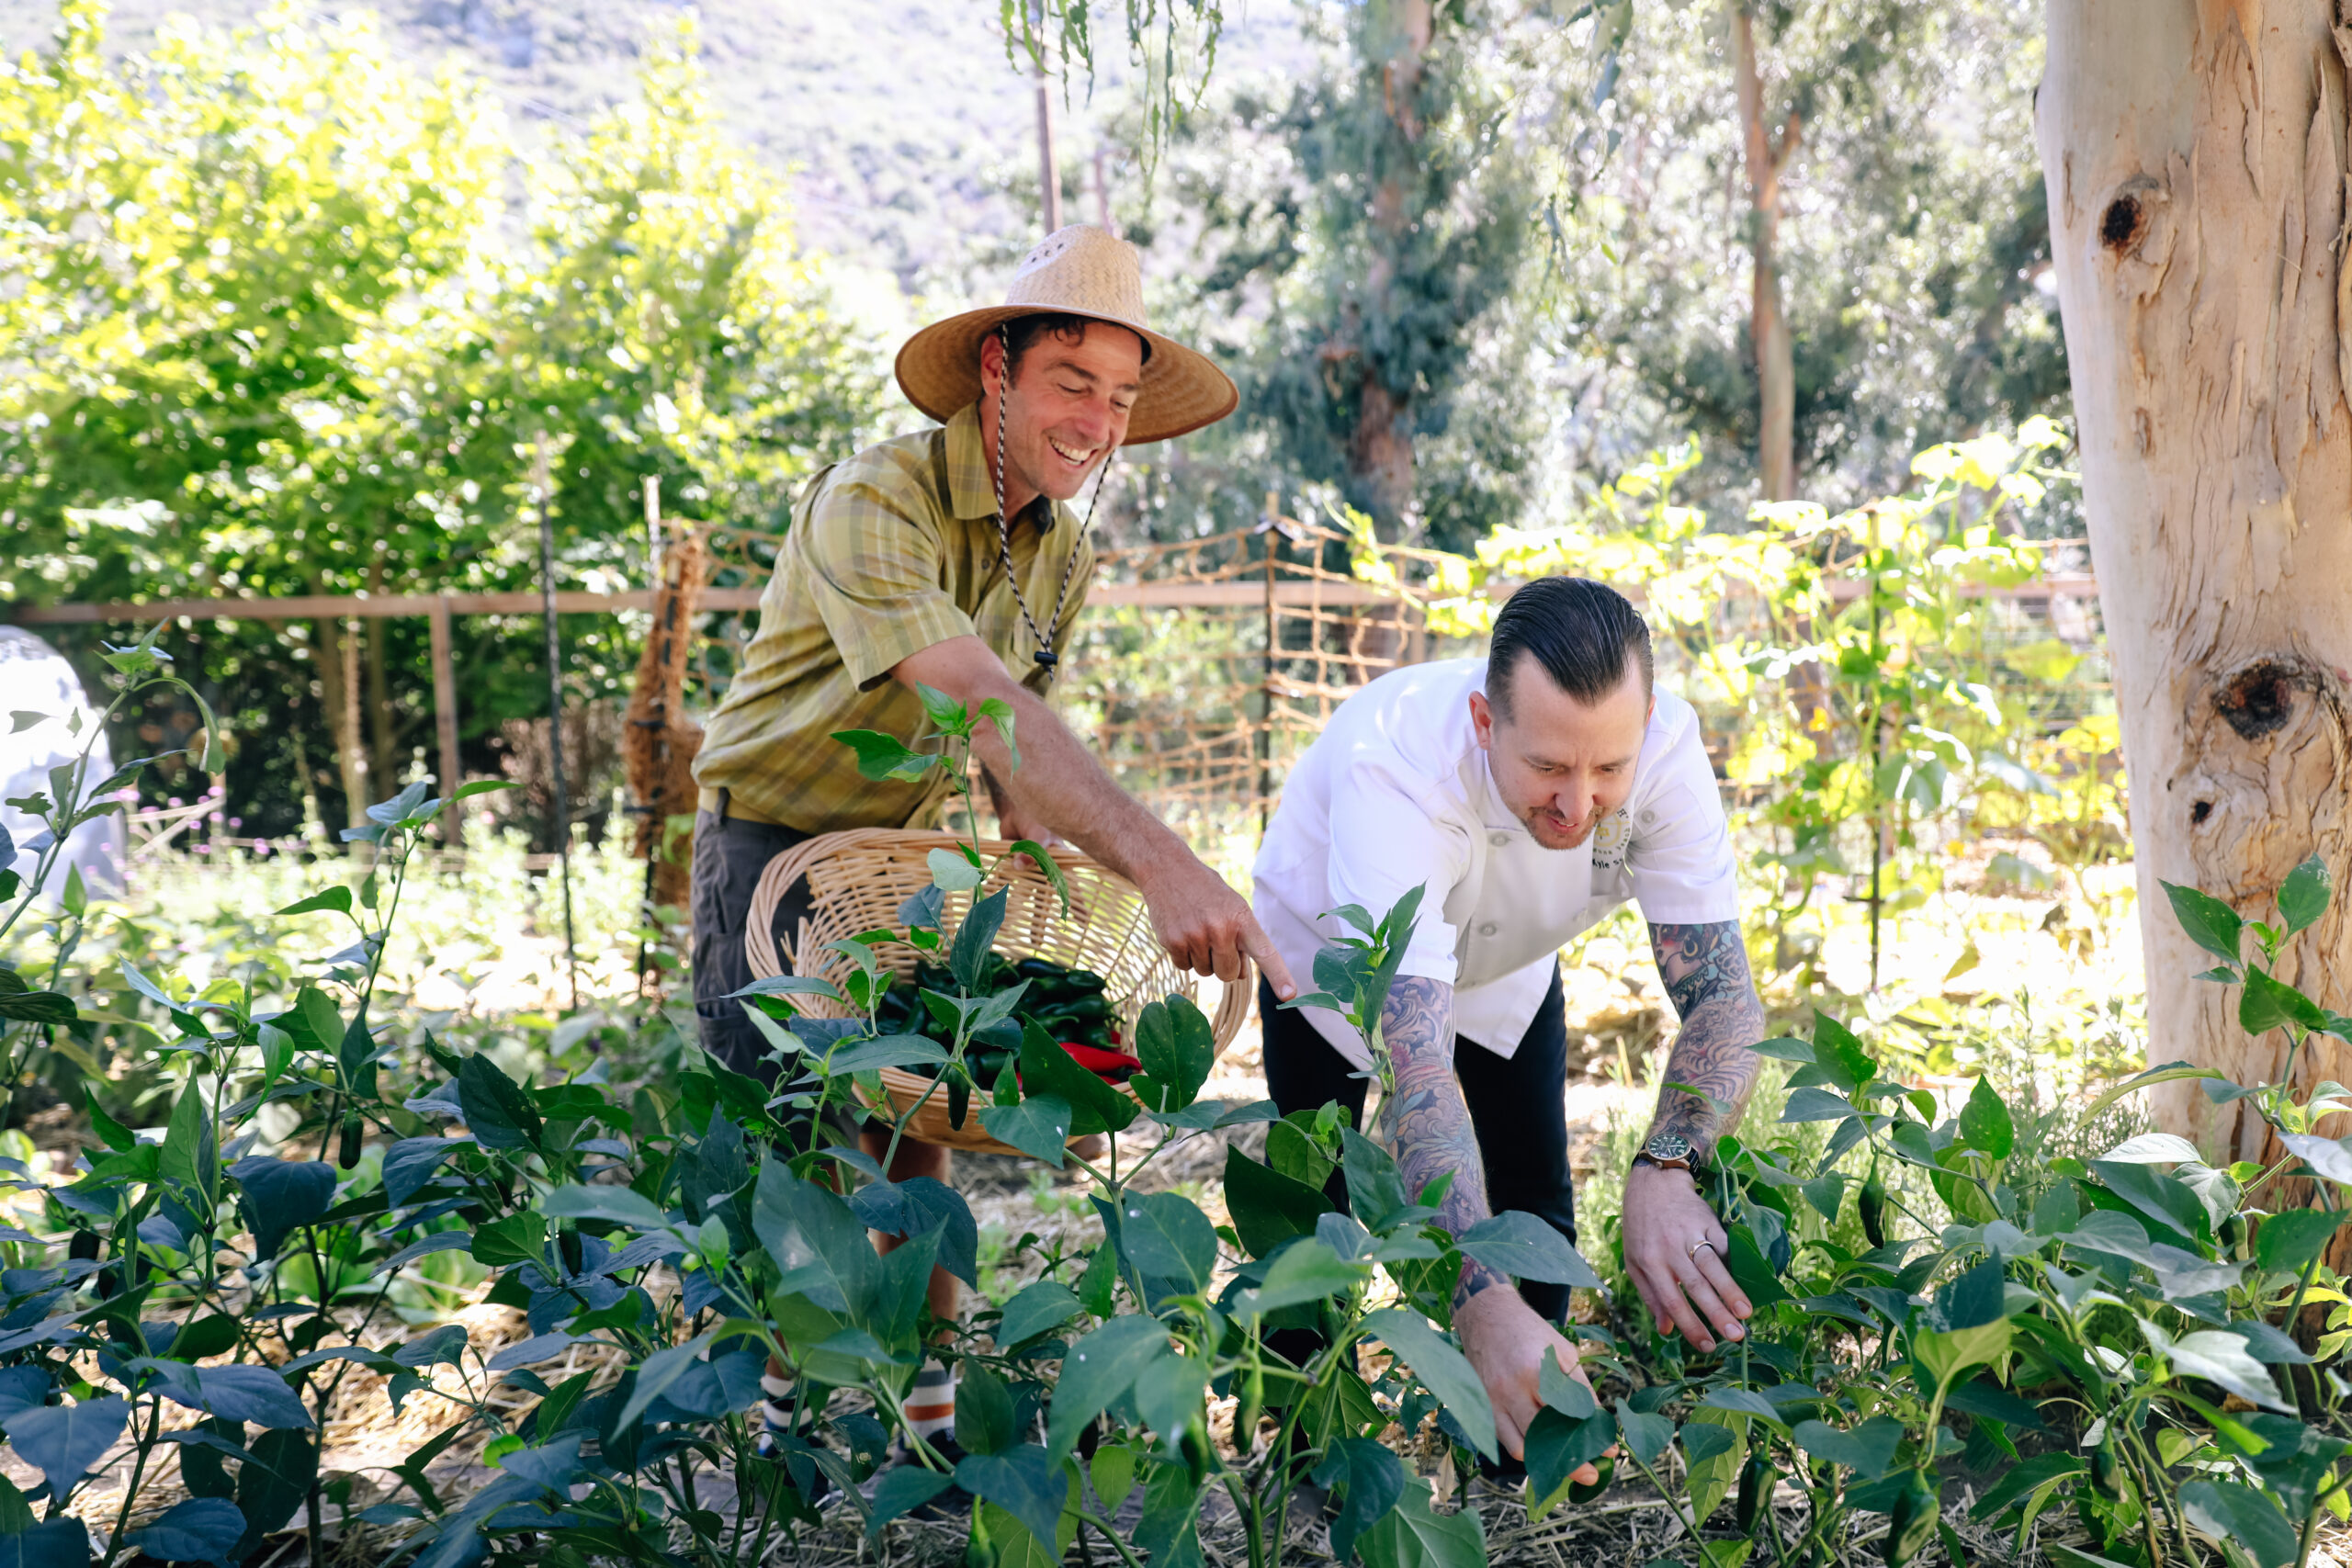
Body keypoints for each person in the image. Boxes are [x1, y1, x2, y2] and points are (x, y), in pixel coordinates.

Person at [689, 224, 1298, 1466]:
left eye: (1123, 395)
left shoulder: (1058, 546)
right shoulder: (876, 497)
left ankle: (921, 1422)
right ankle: (766, 1445)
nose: (1101, 418)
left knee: (921, 1117)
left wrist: (1046, 1001)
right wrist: (1161, 861)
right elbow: (980, 702)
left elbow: (1007, 754)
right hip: (772, 837)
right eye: (1074, 380)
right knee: (797, 1140)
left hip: (901, 852)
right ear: (997, 376)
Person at [1252, 576, 1767, 1468]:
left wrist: (1668, 1161)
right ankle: (1307, 1446)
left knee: (1533, 1198)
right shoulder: (1397, 768)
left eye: (1609, 768)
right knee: (1314, 1217)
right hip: (1331, 972)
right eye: (1547, 769)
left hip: (1510, 968)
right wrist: (1474, 1300)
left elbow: (1724, 998)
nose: (1577, 803)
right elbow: (1413, 1067)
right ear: (1487, 726)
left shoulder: (1670, 753)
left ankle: (1526, 1444)